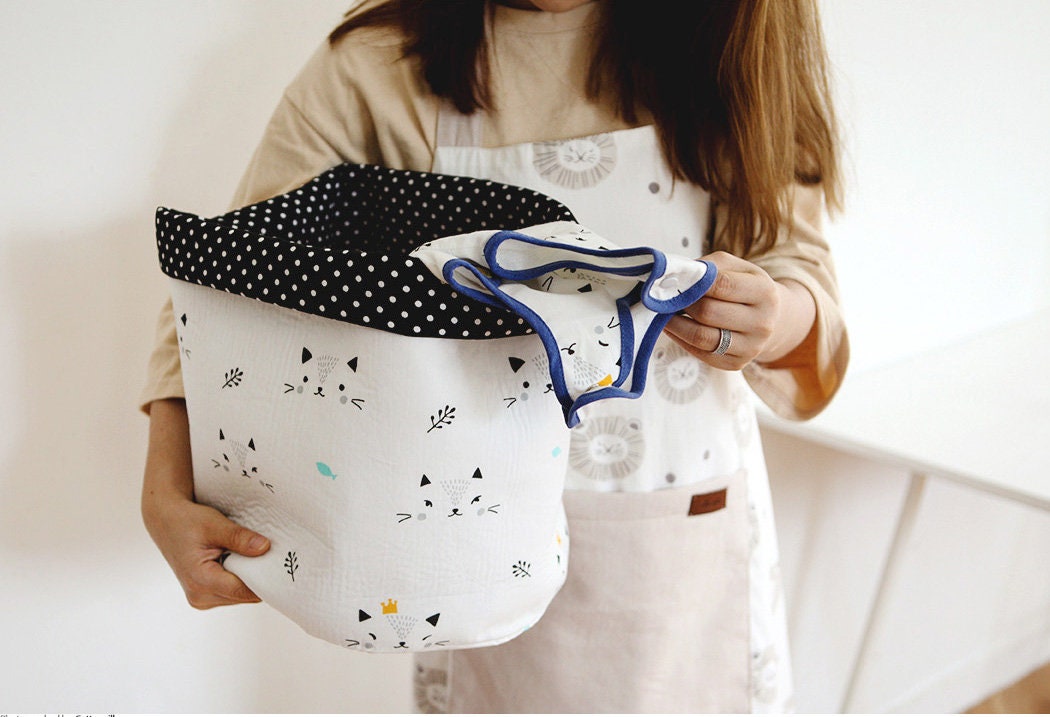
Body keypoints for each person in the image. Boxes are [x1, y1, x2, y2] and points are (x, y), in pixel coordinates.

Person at [140, 0, 848, 712]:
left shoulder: (723, 43)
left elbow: (798, 263)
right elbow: (232, 284)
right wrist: (166, 484)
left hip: (678, 539)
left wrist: (773, 316)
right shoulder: (380, 64)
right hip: (463, 539)